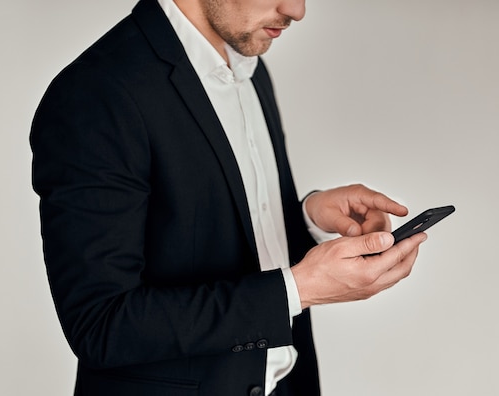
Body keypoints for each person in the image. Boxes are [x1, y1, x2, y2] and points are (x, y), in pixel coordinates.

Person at [30, 0, 427, 395]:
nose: (297, 9)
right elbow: (102, 326)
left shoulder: (249, 66)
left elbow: (220, 231)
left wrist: (306, 217)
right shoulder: (95, 92)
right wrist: (299, 290)